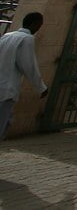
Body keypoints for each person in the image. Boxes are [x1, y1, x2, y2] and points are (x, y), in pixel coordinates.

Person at [0, 11, 47, 140]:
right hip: (8, 88)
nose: (39, 28)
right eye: (39, 25)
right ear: (34, 24)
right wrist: (41, 87)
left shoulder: (7, 36)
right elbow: (29, 66)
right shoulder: (27, 39)